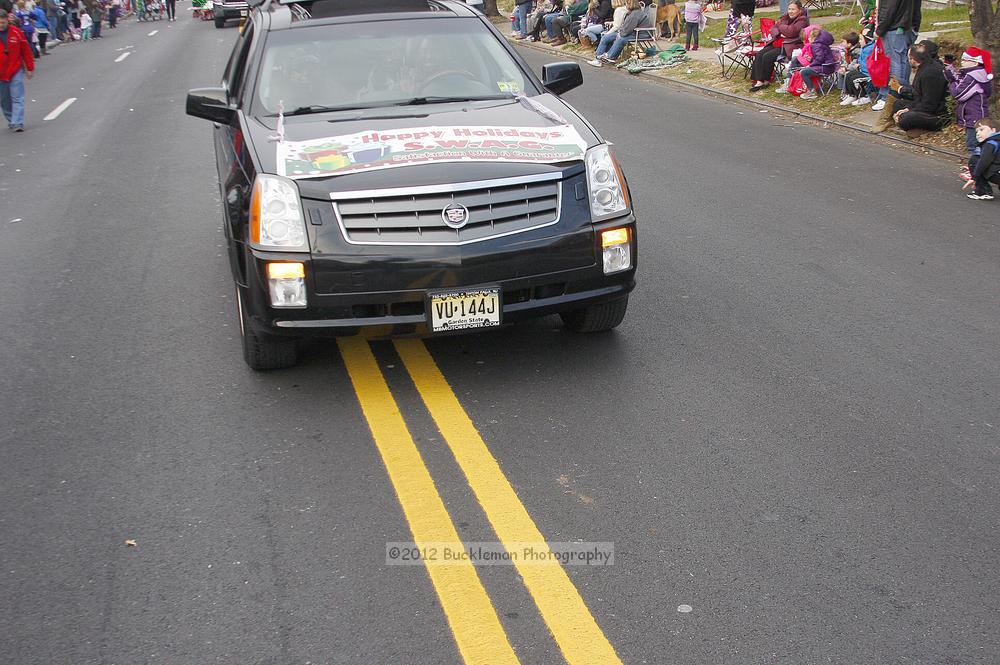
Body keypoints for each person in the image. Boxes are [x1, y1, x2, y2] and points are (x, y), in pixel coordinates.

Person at [873, 47, 948, 136]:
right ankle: (889, 120)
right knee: (897, 104)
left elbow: (929, 105)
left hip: (936, 114)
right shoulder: (924, 67)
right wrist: (907, 108)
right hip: (923, 104)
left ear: (913, 59)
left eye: (908, 57)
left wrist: (908, 109)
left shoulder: (930, 74)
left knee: (905, 119)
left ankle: (921, 128)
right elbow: (919, 96)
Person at [944, 46, 993, 158]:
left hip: (975, 117)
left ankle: (975, 169)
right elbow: (957, 79)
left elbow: (959, 94)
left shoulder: (973, 76)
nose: (962, 62)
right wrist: (948, 67)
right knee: (976, 145)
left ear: (975, 63)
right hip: (973, 115)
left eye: (966, 60)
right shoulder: (974, 74)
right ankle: (975, 167)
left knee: (973, 145)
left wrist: (951, 81)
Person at [749, 1, 808, 91]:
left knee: (767, 56)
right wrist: (781, 33)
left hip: (790, 45)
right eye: (789, 9)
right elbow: (773, 29)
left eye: (793, 9)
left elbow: (791, 31)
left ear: (799, 10)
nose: (790, 11)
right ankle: (758, 80)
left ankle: (766, 80)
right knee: (760, 53)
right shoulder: (785, 18)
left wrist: (781, 27)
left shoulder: (802, 20)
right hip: (778, 42)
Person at [875, 0, 920, 101]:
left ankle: (894, 96)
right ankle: (903, 91)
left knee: (895, 63)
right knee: (904, 61)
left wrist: (880, 30)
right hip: (907, 26)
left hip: (893, 28)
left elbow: (888, 10)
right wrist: (915, 27)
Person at [586, 0, 650, 66]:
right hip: (633, 33)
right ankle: (598, 58)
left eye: (626, 3)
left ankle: (610, 57)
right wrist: (620, 32)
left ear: (630, 4)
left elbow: (627, 29)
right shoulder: (632, 13)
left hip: (640, 34)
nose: (625, 5)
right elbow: (626, 27)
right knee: (606, 37)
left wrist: (620, 33)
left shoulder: (635, 14)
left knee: (621, 39)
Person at [0, 8, 34, 131]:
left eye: (3, 22)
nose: (1, 25)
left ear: (7, 21)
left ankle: (17, 122)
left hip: (15, 69)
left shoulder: (16, 32)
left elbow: (26, 50)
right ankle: (11, 119)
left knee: (17, 96)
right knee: (4, 100)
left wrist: (29, 68)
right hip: (0, 73)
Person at [965, 117, 1000, 200]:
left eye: (981, 130)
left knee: (974, 161)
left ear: (993, 130)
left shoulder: (990, 144)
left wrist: (974, 177)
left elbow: (984, 161)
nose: (978, 134)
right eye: (976, 131)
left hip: (996, 173)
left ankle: (983, 191)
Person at [797, 28, 836, 99]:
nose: (808, 38)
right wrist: (812, 59)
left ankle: (812, 91)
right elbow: (821, 57)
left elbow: (819, 59)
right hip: (828, 66)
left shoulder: (816, 45)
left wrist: (810, 65)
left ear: (814, 38)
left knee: (804, 72)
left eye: (810, 37)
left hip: (825, 68)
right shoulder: (822, 44)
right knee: (806, 70)